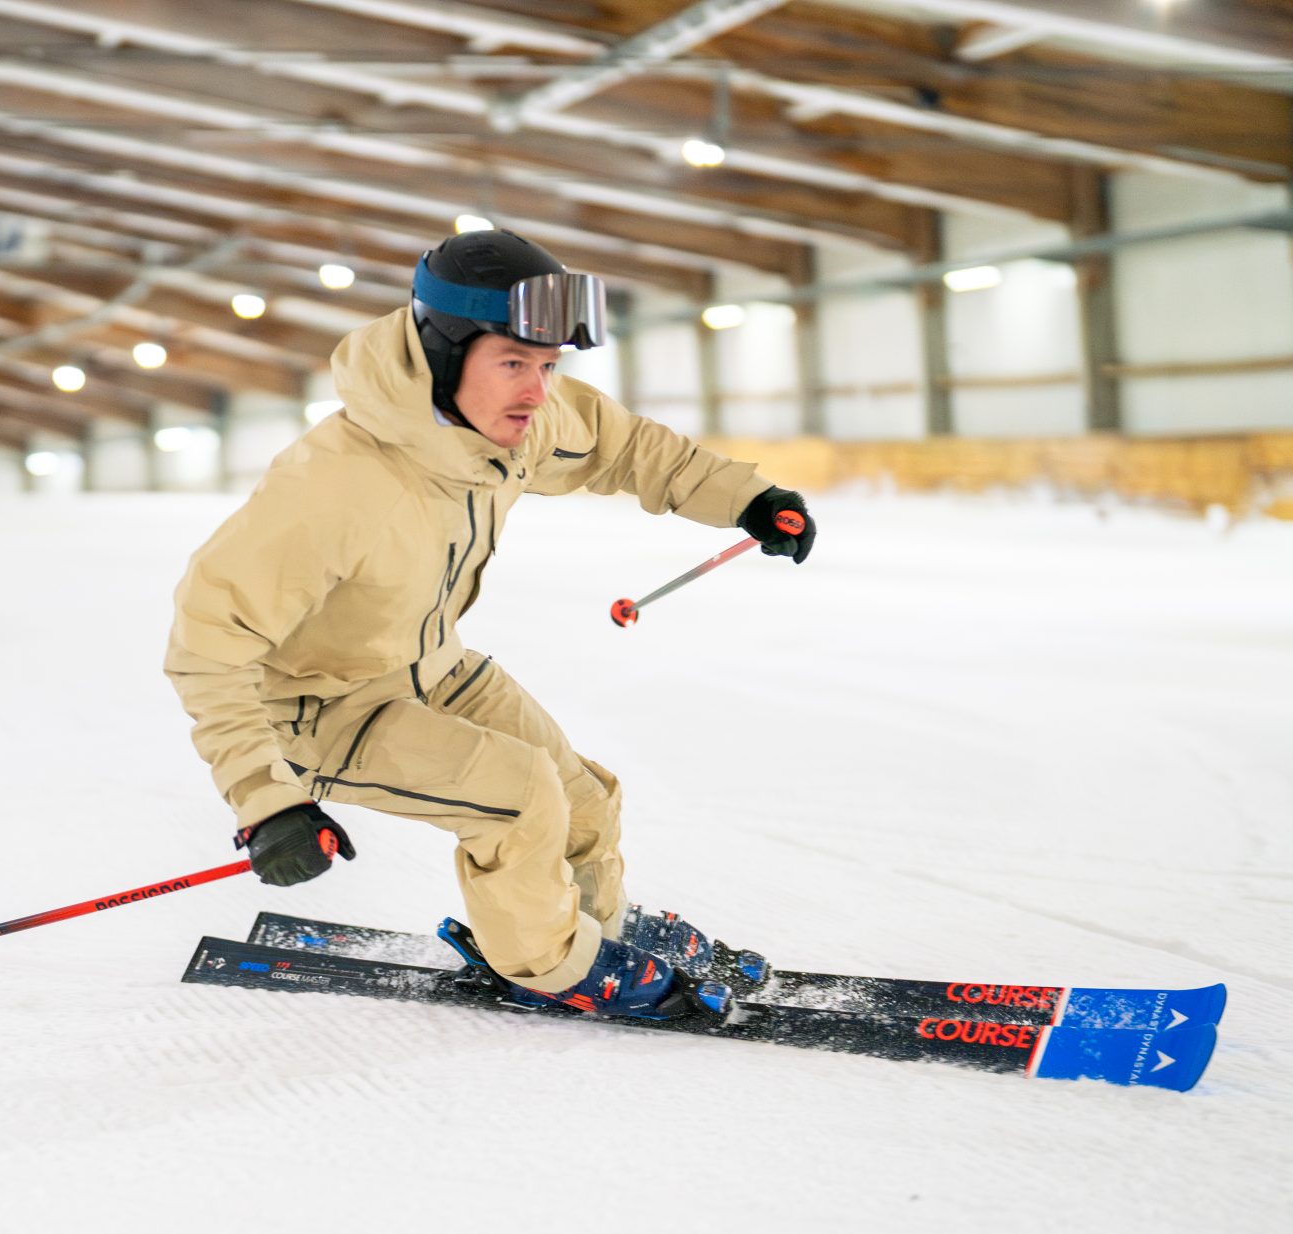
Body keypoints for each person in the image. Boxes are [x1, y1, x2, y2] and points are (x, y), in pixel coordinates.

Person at [163, 229, 817, 1019]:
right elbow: (207, 640)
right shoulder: (334, 484)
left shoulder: (510, 416)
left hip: (431, 666)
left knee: (584, 800)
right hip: (321, 709)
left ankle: (585, 930)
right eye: (514, 362)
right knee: (520, 796)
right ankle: (549, 964)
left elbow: (627, 447)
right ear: (443, 352)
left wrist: (745, 500)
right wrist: (266, 800)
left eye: (548, 367)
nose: (537, 391)